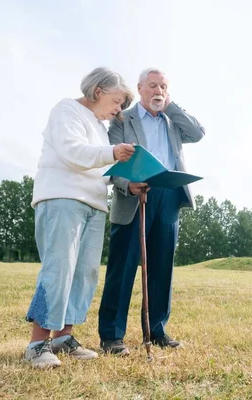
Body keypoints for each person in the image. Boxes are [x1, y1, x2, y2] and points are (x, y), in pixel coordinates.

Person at [24, 67, 136, 368]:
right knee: (59, 268)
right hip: (63, 198)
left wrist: (128, 178)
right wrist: (113, 152)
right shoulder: (66, 110)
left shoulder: (101, 127)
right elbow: (74, 152)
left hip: (94, 204)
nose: (118, 110)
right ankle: (37, 344)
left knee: (85, 273)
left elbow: (99, 164)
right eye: (116, 101)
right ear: (98, 91)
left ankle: (63, 337)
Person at [98, 68, 205, 355]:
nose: (158, 90)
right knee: (122, 267)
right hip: (135, 195)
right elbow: (111, 158)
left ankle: (156, 330)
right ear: (140, 88)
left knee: (161, 268)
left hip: (168, 195)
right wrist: (126, 185)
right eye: (153, 86)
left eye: (164, 86)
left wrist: (169, 104)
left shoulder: (173, 120)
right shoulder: (123, 119)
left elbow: (198, 133)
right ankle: (111, 336)